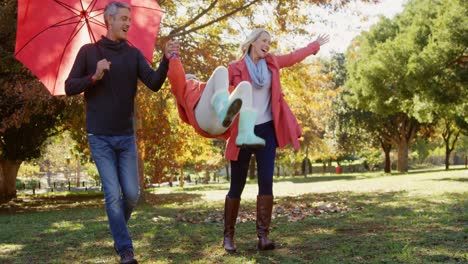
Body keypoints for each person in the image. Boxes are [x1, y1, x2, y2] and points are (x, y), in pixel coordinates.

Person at [64, 2, 178, 264]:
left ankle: (117, 228)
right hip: (99, 135)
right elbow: (69, 86)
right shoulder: (88, 52)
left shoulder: (133, 54)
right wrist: (94, 77)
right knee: (113, 194)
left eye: (130, 19)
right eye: (124, 19)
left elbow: (154, 83)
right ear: (110, 20)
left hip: (125, 136)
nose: (128, 23)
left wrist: (164, 60)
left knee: (132, 194)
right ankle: (126, 249)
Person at [222, 28, 330, 252]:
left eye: (269, 42)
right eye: (264, 40)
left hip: (266, 131)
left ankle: (263, 237)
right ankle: (229, 237)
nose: (267, 45)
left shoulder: (271, 64)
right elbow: (224, 97)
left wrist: (313, 46)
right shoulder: (234, 68)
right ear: (252, 42)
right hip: (242, 131)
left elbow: (292, 58)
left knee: (266, 182)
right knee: (237, 185)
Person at [166, 56, 265, 147]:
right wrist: (174, 57)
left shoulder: (204, 88)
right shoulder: (184, 89)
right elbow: (176, 77)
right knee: (221, 70)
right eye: (191, 78)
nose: (194, 78)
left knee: (245, 86)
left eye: (195, 78)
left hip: (219, 126)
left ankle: (245, 133)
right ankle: (223, 109)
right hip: (202, 118)